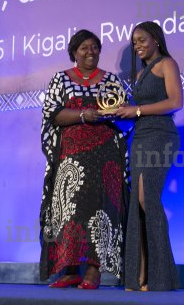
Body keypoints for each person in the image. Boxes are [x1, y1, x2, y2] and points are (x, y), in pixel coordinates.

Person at [39, 29, 129, 290]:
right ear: (74, 53)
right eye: (84, 48)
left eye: (95, 47)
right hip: (71, 156)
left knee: (101, 210)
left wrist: (113, 113)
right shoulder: (61, 79)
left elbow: (124, 111)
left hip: (105, 156)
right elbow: (52, 114)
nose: (91, 51)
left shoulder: (111, 80)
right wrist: (82, 115)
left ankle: (93, 271)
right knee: (70, 210)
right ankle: (69, 271)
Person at [113, 21, 182, 291]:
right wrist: (123, 111)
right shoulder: (141, 72)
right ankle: (139, 275)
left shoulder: (167, 64)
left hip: (161, 136)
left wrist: (138, 110)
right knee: (138, 204)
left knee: (147, 199)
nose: (137, 46)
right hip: (140, 137)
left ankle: (161, 275)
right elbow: (139, 110)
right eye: (134, 43)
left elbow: (176, 102)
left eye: (142, 40)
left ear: (156, 39)